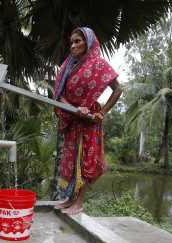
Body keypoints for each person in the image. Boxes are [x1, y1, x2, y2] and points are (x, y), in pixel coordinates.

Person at [53, 26, 122, 215]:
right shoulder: (67, 66)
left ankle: (79, 202)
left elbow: (118, 89)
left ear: (89, 42)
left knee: (84, 160)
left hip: (89, 121)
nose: (73, 45)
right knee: (69, 160)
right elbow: (58, 95)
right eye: (72, 42)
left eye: (78, 41)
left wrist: (103, 112)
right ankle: (69, 198)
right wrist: (73, 109)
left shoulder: (99, 65)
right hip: (72, 119)